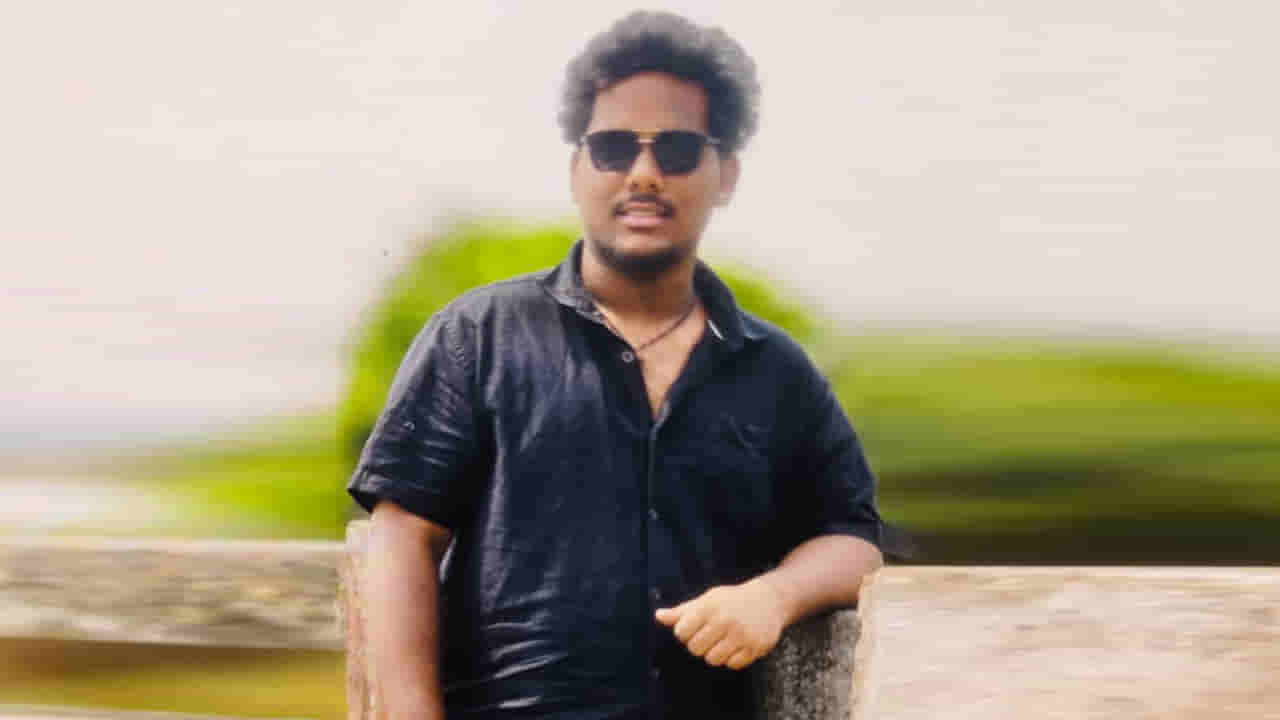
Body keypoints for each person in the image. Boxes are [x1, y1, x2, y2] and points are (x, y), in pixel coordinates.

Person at [347, 10, 883, 719]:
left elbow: (854, 539)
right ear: (577, 170)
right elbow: (401, 535)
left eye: (679, 150)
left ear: (725, 175)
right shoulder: (478, 335)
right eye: (613, 147)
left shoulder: (775, 369)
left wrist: (773, 597)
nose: (644, 174)